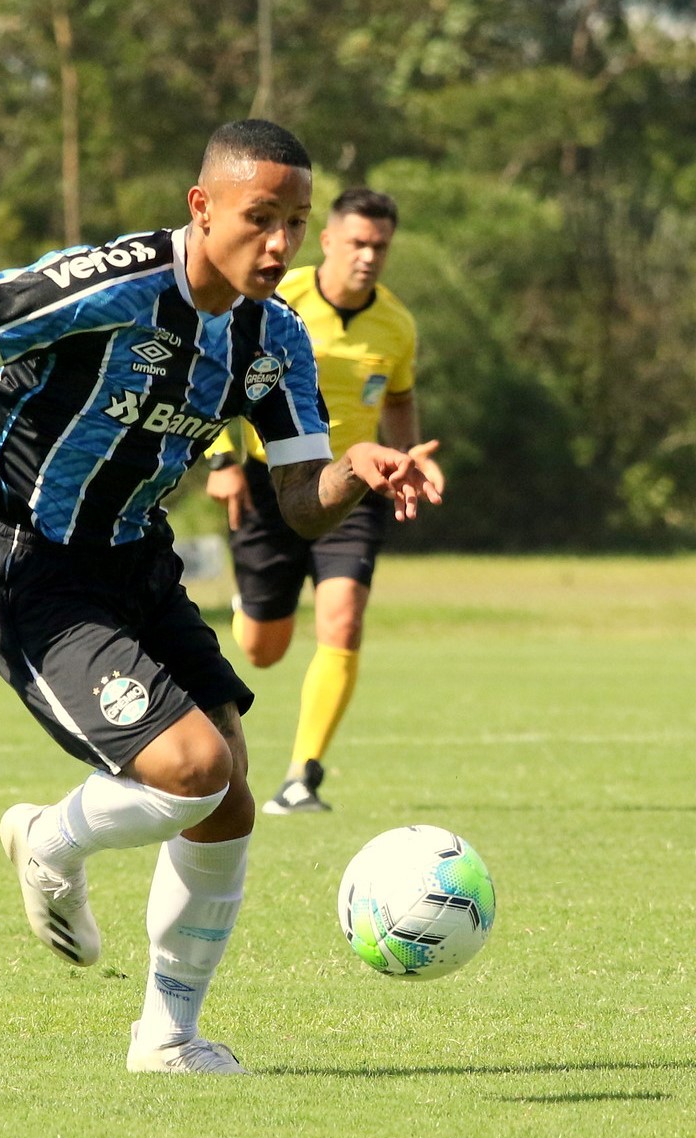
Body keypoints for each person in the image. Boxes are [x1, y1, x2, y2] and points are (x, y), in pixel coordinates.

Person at [0, 120, 440, 1075]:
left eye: (294, 222)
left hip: (135, 559)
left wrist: (356, 467)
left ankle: (165, 1037)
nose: (279, 244)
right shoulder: (116, 282)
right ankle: (47, 838)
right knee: (195, 768)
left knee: (228, 797)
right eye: (259, 219)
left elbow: (300, 504)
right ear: (202, 208)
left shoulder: (271, 334)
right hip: (33, 567)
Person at [203, 187, 438, 815]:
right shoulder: (279, 299)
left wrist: (408, 455)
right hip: (268, 481)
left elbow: (398, 398)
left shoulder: (397, 324)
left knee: (343, 620)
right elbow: (220, 372)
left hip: (354, 487)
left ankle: (302, 776)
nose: (368, 256)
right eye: (357, 242)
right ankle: (248, 605)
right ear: (328, 239)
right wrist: (222, 459)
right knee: (262, 650)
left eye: (380, 246)